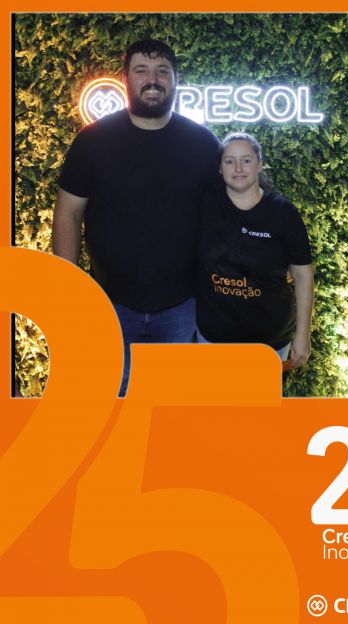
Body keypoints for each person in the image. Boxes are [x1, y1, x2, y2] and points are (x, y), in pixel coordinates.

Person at [52, 39, 220, 394]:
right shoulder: (93, 141)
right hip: (109, 304)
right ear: (125, 78)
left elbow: (227, 214)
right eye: (141, 70)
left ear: (176, 80)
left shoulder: (203, 144)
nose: (152, 80)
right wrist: (69, 293)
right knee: (113, 401)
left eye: (162, 71)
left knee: (168, 403)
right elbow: (68, 213)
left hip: (181, 306)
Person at [196, 132, 314, 369]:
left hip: (269, 342)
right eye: (229, 161)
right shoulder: (205, 205)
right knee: (214, 394)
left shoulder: (282, 212)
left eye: (246, 160)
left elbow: (303, 275)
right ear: (220, 168)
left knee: (260, 396)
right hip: (213, 338)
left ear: (259, 164)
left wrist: (303, 334)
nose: (238, 168)